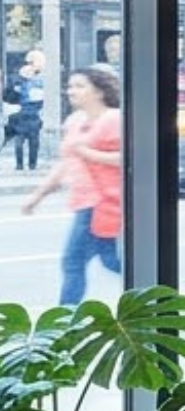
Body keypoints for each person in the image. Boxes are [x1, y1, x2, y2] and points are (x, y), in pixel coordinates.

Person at [26, 67, 122, 305]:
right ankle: (157, 290)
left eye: (79, 86)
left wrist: (88, 152)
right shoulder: (74, 121)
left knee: (73, 261)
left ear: (99, 91)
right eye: (70, 86)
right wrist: (38, 196)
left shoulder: (113, 119)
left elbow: (127, 158)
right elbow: (65, 163)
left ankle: (64, 321)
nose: (72, 91)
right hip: (84, 201)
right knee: (110, 259)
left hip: (102, 202)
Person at [4, 51, 44, 172]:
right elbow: (8, 96)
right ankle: (21, 165)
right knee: (21, 142)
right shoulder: (18, 82)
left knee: (32, 142)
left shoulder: (39, 82)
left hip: (32, 115)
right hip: (23, 115)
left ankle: (30, 164)